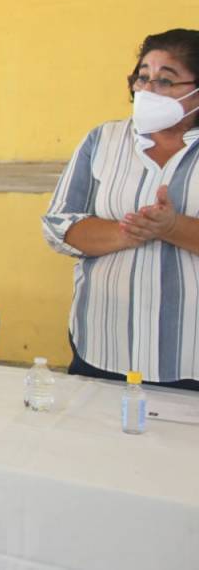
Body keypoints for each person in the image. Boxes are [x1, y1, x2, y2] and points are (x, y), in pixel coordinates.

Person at [43, 28, 199, 390]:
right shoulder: (102, 140)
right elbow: (59, 224)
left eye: (165, 80)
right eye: (142, 78)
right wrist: (129, 231)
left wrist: (171, 227)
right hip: (105, 343)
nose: (148, 90)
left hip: (190, 354)